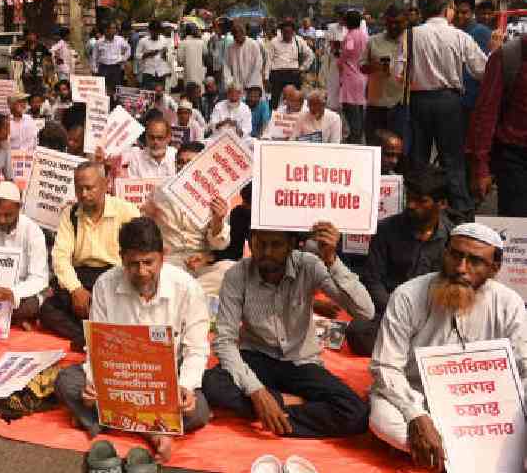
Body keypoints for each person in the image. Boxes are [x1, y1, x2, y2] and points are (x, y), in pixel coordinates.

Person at [368, 223, 527, 468]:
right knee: (381, 419)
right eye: (455, 255)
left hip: (484, 407)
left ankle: (442, 455)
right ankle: (460, 454)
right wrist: (416, 415)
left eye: (475, 261)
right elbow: (386, 366)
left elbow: (524, 368)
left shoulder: (509, 303)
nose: (461, 268)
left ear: (494, 268)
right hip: (417, 396)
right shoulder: (408, 295)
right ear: (445, 253)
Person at [54, 217, 210, 463]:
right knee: (66, 381)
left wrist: (185, 388)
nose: (142, 272)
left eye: (149, 262)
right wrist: (94, 384)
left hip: (166, 380)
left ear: (163, 256)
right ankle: (153, 432)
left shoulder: (188, 289)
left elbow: (197, 350)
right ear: (121, 258)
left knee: (197, 410)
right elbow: (97, 347)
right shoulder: (105, 285)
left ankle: (106, 421)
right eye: (133, 264)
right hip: (119, 376)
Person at [202, 222, 374, 438]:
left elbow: (365, 311)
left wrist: (332, 260)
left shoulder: (309, 265)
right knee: (212, 383)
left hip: (300, 362)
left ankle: (270, 414)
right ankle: (292, 403)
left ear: (292, 244)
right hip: (256, 358)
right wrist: (257, 392)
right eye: (260, 244)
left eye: (276, 245)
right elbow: (225, 340)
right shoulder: (237, 275)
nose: (267, 252)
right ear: (250, 241)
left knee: (356, 414)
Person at [345, 163, 453, 356]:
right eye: (409, 198)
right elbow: (372, 279)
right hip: (390, 311)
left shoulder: (453, 238)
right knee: (358, 333)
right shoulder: (386, 229)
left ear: (441, 204)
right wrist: (397, 313)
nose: (411, 205)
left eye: (421, 201)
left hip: (432, 315)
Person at [401, 0, 488, 219]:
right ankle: (460, 212)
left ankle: (417, 207)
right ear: (447, 9)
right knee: (452, 159)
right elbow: (482, 70)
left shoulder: (410, 35)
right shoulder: (459, 36)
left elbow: (398, 73)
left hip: (419, 101)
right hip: (449, 102)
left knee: (419, 157)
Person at [42, 162, 141, 349]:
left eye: (89, 188)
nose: (84, 194)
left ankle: (95, 334)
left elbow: (140, 251)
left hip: (116, 276)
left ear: (105, 185)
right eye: (79, 189)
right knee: (48, 309)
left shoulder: (127, 211)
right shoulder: (70, 214)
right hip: (82, 277)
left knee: (123, 307)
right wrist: (75, 290)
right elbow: (60, 257)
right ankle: (90, 338)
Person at [145, 142, 231, 296]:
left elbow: (220, 245)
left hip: (201, 263)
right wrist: (148, 218)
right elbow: (146, 230)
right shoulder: (160, 191)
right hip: (170, 262)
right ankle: (192, 294)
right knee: (158, 273)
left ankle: (186, 293)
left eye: (189, 163)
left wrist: (218, 220)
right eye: (180, 163)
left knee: (229, 270)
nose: (183, 167)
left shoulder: (217, 195)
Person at [0, 181, 49, 328]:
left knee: (33, 305)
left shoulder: (33, 232)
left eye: (8, 215)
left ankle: (10, 317)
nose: (1, 220)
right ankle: (12, 319)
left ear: (19, 208)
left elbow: (39, 278)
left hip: (19, 292)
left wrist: (12, 293)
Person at [467, 35, 527, 215]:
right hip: (516, 160)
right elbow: (485, 115)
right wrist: (480, 168)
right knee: (517, 229)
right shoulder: (508, 57)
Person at [364, 5, 407, 145]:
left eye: (398, 23)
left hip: (402, 106)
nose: (394, 26)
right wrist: (375, 67)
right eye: (390, 22)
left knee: (400, 150)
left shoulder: (413, 42)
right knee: (374, 147)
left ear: (405, 21)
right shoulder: (373, 41)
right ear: (385, 22)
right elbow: (362, 67)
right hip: (377, 105)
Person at [454, 0, 493, 131]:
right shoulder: (455, 31)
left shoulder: (481, 32)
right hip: (457, 99)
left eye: (464, 12)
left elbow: (485, 67)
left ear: (472, 12)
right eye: (457, 12)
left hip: (472, 99)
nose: (460, 16)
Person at [267, 18, 314, 111]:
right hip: (277, 74)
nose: (287, 34)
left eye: (289, 32)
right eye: (285, 32)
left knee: (295, 100)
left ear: (293, 31)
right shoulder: (274, 42)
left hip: (294, 74)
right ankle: (273, 120)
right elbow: (268, 60)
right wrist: (266, 77)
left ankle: (295, 119)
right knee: (274, 102)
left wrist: (302, 68)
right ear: (281, 31)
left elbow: (310, 55)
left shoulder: (298, 41)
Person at [338, 10, 368, 144]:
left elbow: (349, 50)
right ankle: (358, 134)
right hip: (363, 76)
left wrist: (340, 58)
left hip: (351, 76)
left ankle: (355, 136)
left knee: (350, 107)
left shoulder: (350, 36)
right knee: (360, 107)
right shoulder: (365, 35)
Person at [90, 21, 130, 94]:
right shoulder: (99, 42)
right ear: (106, 30)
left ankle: (116, 104)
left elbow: (128, 49)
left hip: (116, 68)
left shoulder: (120, 40)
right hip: (103, 68)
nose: (114, 30)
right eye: (112, 28)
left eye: (115, 28)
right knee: (103, 89)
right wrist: (94, 70)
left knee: (116, 89)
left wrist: (123, 59)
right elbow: (94, 57)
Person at [225, 21, 264, 91]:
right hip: (236, 85)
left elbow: (258, 65)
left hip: (253, 85)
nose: (238, 39)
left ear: (244, 33)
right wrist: (229, 81)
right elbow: (226, 66)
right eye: (235, 37)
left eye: (239, 35)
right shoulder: (230, 48)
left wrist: (250, 83)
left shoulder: (253, 44)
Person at [14, 30, 52, 96]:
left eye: (33, 34)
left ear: (36, 36)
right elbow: (15, 61)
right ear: (25, 37)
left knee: (40, 95)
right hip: (26, 78)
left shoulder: (42, 48)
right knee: (28, 95)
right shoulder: (21, 49)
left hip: (39, 77)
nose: (31, 36)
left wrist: (48, 77)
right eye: (29, 35)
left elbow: (48, 62)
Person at [219, 182, 252, 261]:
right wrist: (209, 257)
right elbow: (234, 252)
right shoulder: (240, 213)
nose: (244, 205)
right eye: (244, 201)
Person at [135, 20, 172, 90]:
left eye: (157, 31)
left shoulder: (164, 40)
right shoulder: (143, 41)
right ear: (150, 31)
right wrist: (148, 54)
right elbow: (137, 56)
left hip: (161, 72)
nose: (155, 33)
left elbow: (170, 55)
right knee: (148, 94)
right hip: (148, 72)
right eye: (153, 31)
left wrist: (166, 54)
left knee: (160, 96)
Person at [178, 25, 206, 90]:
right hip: (200, 72)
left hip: (188, 73)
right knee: (199, 90)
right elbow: (205, 55)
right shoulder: (201, 42)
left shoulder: (183, 43)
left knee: (190, 92)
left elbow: (180, 59)